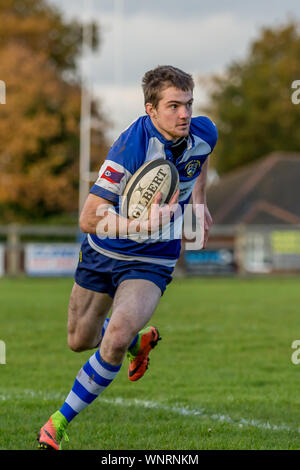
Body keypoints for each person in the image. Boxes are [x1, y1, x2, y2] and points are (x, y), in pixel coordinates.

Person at [37, 65, 218, 450]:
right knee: (78, 339)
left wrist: (199, 204)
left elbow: (199, 161)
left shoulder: (203, 132)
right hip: (104, 250)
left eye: (188, 104)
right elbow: (88, 217)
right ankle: (139, 343)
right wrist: (139, 224)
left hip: (153, 259)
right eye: (173, 106)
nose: (184, 114)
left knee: (113, 336)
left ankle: (58, 422)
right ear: (151, 110)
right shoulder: (130, 148)